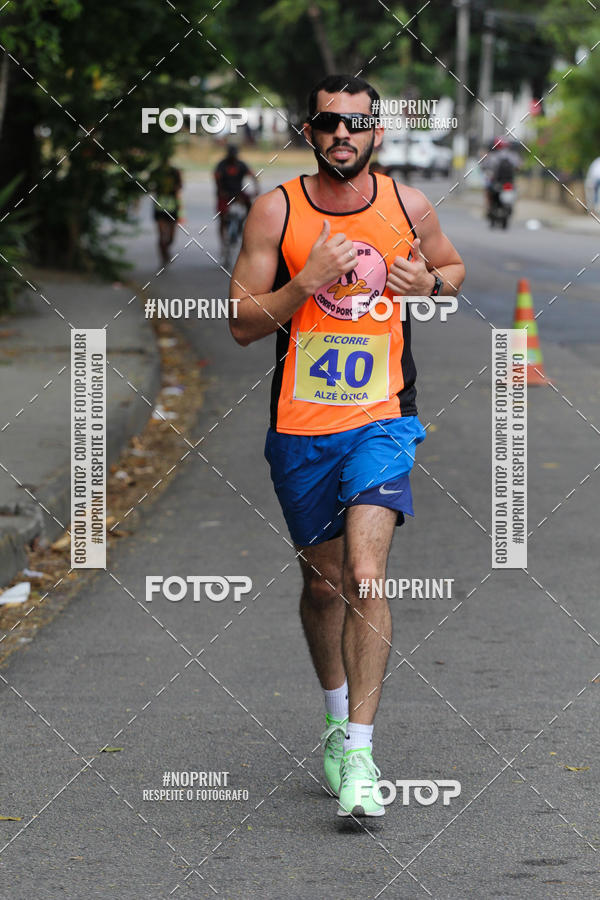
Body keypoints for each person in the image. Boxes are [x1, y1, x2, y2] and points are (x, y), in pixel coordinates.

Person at [228, 74, 465, 818]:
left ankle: (360, 753)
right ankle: (336, 721)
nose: (342, 135)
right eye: (328, 122)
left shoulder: (407, 205)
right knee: (325, 585)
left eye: (355, 124)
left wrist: (428, 283)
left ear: (376, 135)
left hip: (384, 419)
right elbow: (240, 320)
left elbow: (453, 273)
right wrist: (307, 283)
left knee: (366, 575)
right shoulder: (278, 209)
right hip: (301, 428)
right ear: (310, 131)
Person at [214, 144, 259, 253]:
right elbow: (217, 177)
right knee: (222, 217)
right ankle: (223, 241)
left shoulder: (241, 165)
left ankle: (244, 223)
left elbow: (252, 175)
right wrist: (220, 191)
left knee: (251, 207)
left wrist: (256, 188)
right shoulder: (222, 165)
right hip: (224, 194)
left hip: (238, 193)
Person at [149, 155, 182, 266]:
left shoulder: (175, 172)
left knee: (170, 237)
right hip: (159, 206)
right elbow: (150, 186)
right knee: (162, 234)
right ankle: (163, 256)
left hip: (172, 206)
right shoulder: (155, 172)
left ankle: (166, 251)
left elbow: (180, 186)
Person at [482, 138, 519, 214]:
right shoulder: (513, 155)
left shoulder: (493, 155)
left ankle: (488, 207)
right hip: (509, 181)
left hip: (497, 181)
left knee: (488, 189)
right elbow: (519, 166)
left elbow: (485, 165)